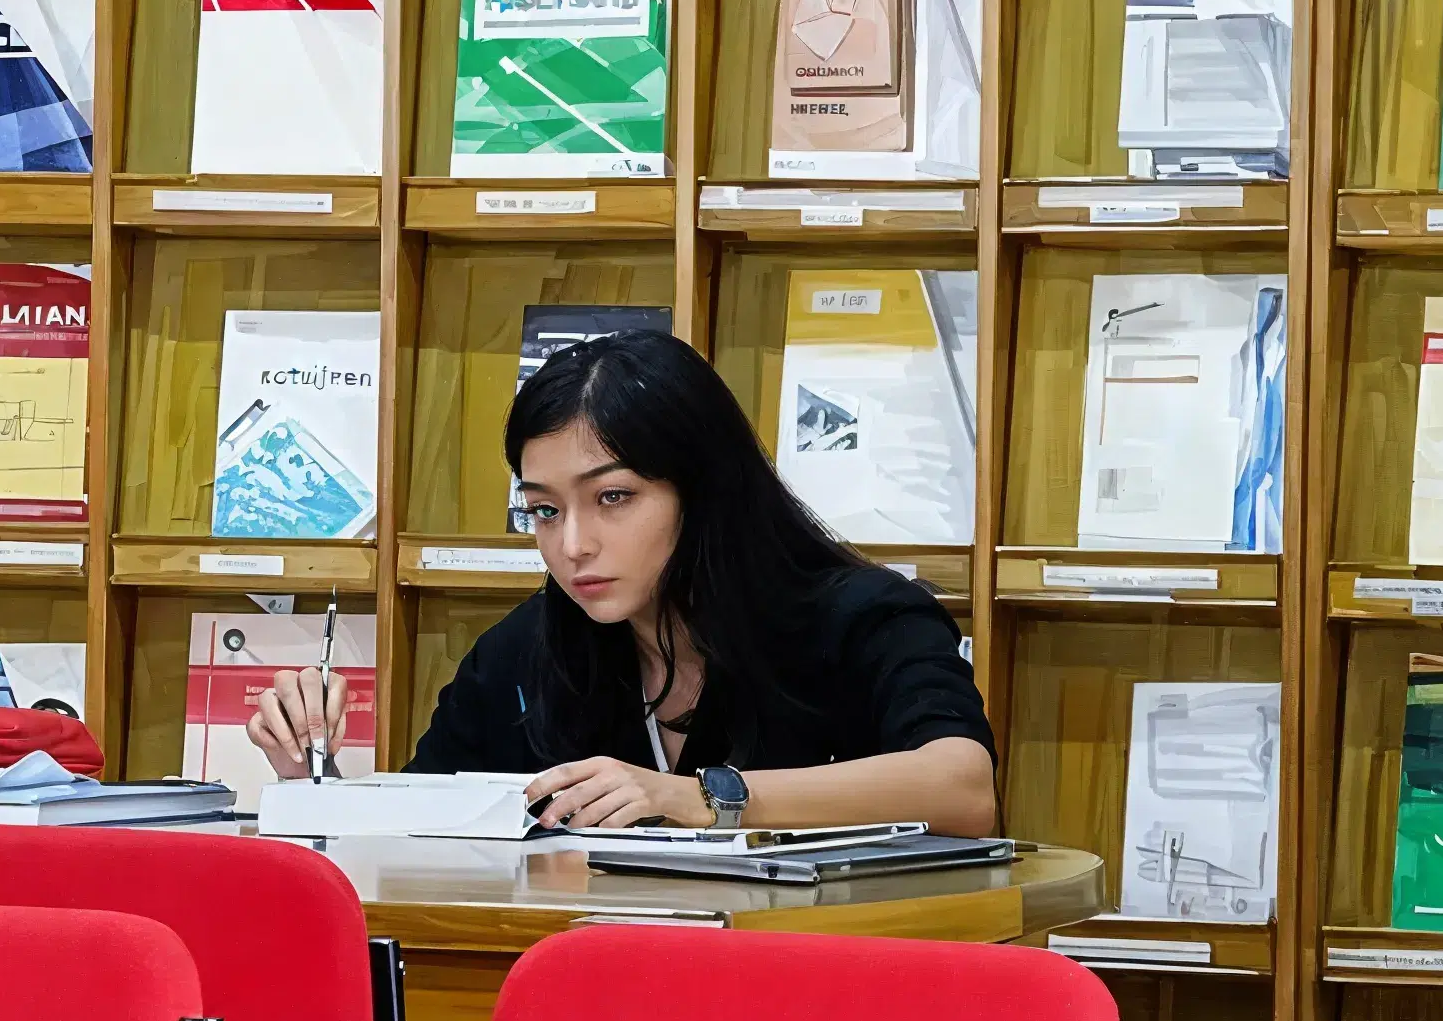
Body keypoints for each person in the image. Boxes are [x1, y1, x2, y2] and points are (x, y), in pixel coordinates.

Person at [246, 329, 996, 833]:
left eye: (613, 498)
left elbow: (963, 788)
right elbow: (431, 824)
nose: (572, 545)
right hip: (600, 1005)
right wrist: (312, 771)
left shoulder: (863, 616)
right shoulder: (524, 649)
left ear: (703, 489)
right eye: (542, 510)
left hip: (824, 997)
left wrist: (705, 798)